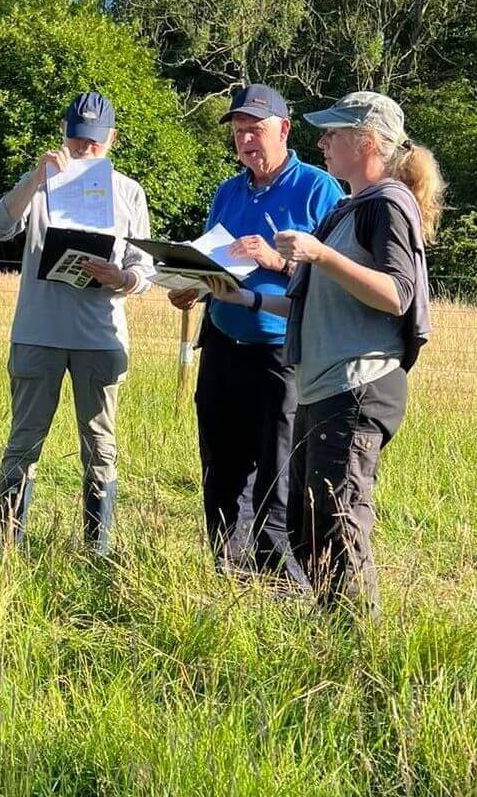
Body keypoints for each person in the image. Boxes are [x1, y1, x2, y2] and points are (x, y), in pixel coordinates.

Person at [205, 91, 444, 617]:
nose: (324, 142)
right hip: (324, 384)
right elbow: (308, 305)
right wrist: (241, 296)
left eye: (333, 132)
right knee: (308, 526)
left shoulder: (388, 204)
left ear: (366, 142)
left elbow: (398, 294)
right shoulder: (348, 206)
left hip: (357, 386)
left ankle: (358, 654)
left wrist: (320, 254)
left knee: (338, 524)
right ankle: (330, 637)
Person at [167, 84, 342, 586]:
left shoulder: (318, 189)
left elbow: (336, 277)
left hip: (281, 352)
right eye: (240, 131)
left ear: (284, 130)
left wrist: (275, 259)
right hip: (223, 344)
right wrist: (190, 287)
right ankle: (228, 573)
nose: (246, 140)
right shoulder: (228, 191)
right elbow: (212, 262)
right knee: (221, 465)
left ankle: (282, 583)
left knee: (278, 469)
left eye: (256, 129)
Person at [0, 91, 153, 554]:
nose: (84, 151)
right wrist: (36, 179)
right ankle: (5, 547)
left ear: (111, 140)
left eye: (94, 143)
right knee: (23, 442)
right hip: (38, 333)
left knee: (100, 445)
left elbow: (145, 268)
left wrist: (123, 278)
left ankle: (97, 549)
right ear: (64, 135)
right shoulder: (38, 182)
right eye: (77, 141)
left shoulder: (128, 191)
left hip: (100, 336)